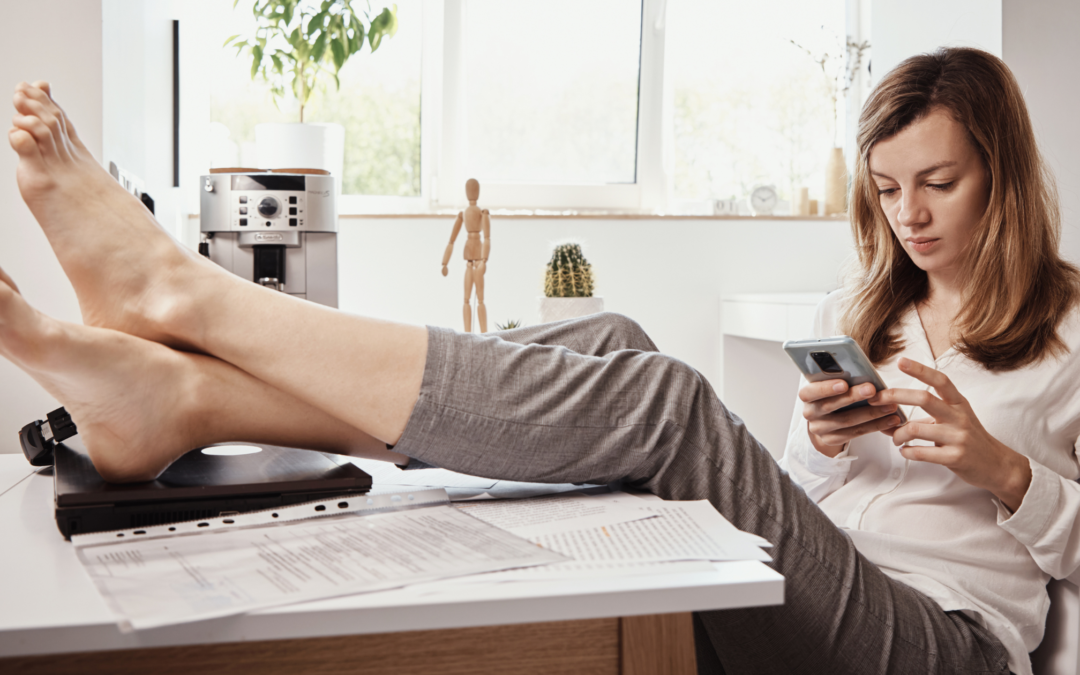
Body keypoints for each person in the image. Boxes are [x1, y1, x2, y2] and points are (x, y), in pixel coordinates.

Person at [0, 46, 1075, 674]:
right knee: (611, 339)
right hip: (824, 588)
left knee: (669, 405)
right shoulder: (873, 305)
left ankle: (194, 314)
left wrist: (1005, 473)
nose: (910, 217)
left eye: (939, 183)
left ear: (1005, 171)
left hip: (943, 639)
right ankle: (186, 398)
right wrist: (829, 441)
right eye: (887, 190)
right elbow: (807, 495)